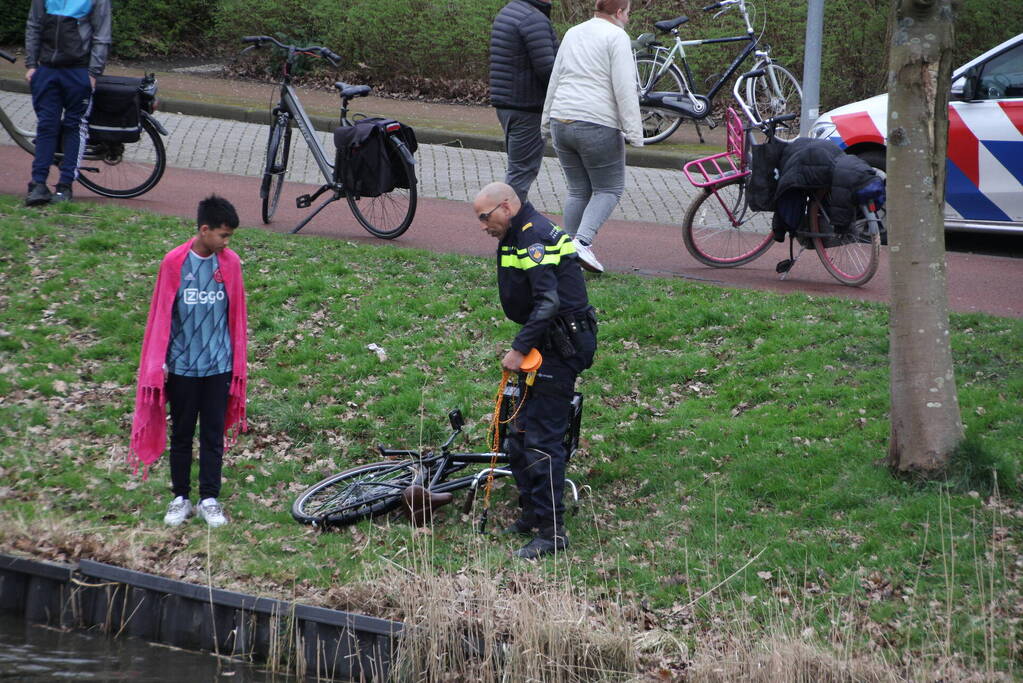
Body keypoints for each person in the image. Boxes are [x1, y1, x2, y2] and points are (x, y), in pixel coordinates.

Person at [472, 181, 597, 559]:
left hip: (560, 345)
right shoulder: (517, 232)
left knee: (542, 441)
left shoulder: (533, 236)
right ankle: (531, 514)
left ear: (506, 207)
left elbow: (547, 301)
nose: (482, 225)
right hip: (545, 341)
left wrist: (519, 348)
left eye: (485, 217)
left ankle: (552, 532)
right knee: (518, 435)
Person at [129, 196, 248, 528]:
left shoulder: (231, 264)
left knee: (212, 434)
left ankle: (209, 498)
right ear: (204, 230)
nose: (226, 242)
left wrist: (236, 361)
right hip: (181, 367)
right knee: (181, 434)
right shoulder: (174, 263)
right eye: (223, 235)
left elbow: (237, 316)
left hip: (218, 366)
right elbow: (161, 315)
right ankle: (180, 497)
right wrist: (160, 362)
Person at [541, 0, 642, 274]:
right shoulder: (617, 37)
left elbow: (556, 77)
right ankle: (582, 243)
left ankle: (567, 251)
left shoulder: (573, 32)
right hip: (596, 123)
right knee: (609, 189)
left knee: (578, 189)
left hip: (561, 119)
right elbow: (625, 87)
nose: (628, 19)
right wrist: (634, 132)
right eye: (628, 13)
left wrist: (546, 120)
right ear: (619, 12)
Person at [23, 0, 112, 206]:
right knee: (46, 125)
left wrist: (93, 73)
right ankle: (38, 184)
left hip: (78, 71)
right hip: (47, 70)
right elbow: (34, 25)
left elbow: (102, 35)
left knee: (74, 126)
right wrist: (31, 64)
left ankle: (65, 186)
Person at [489, 0, 559, 204]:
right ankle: (505, 221)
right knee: (521, 174)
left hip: (507, 103)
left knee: (518, 170)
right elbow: (548, 69)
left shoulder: (509, 11)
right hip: (527, 107)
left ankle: (515, 219)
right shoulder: (533, 19)